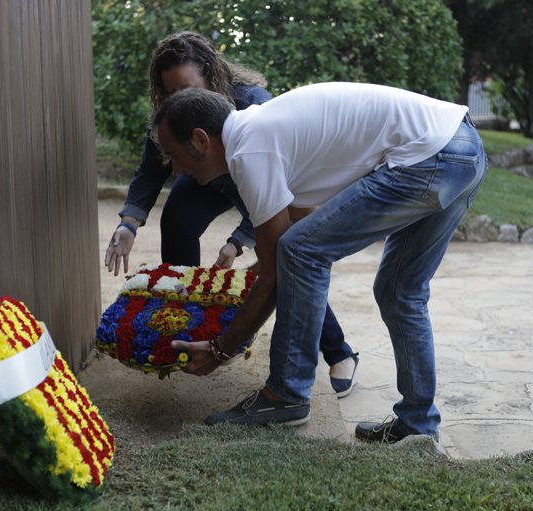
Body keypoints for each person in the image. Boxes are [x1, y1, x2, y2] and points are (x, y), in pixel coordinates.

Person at [157, 83, 487, 443]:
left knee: (300, 252)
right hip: (462, 147)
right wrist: (248, 284)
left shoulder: (249, 150)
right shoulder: (260, 133)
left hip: (428, 156)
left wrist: (222, 349)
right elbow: (292, 242)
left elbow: (283, 262)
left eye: (173, 154)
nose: (175, 169)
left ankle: (286, 394)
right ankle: (417, 423)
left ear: (202, 140)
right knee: (398, 291)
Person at [103, 32, 359, 395]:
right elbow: (151, 170)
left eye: (185, 88)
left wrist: (240, 241)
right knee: (176, 217)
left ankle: (339, 352)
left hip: (249, 177)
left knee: (285, 255)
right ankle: (189, 325)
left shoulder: (253, 106)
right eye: (169, 92)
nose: (178, 99)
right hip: (206, 174)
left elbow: (281, 193)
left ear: (211, 74)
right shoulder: (173, 116)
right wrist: (129, 222)